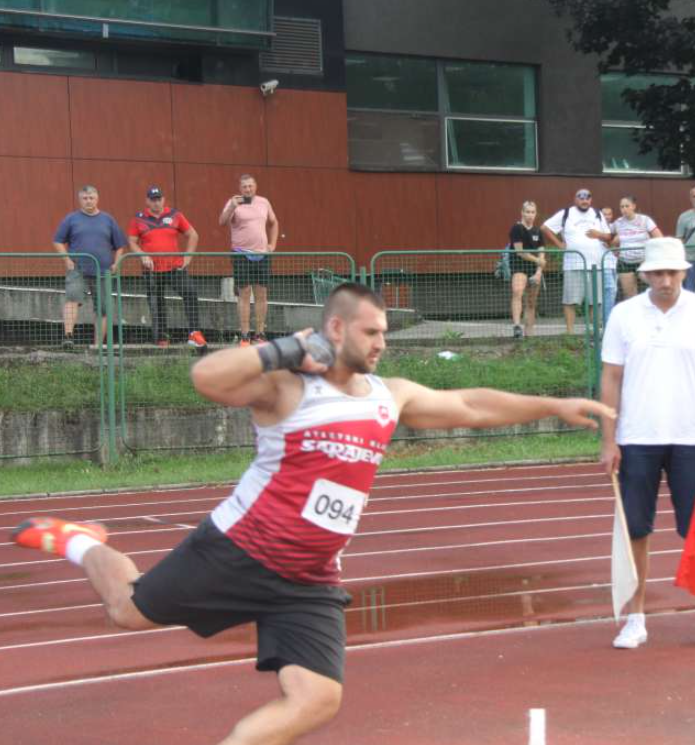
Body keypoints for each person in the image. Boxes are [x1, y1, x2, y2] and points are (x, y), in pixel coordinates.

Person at [11, 282, 614, 745]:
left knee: (317, 698)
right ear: (336, 327)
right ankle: (81, 541)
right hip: (236, 553)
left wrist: (553, 404)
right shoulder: (288, 387)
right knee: (126, 610)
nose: (383, 343)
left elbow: (470, 404)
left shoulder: (389, 396)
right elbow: (205, 376)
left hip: (309, 578)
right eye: (373, 332)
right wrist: (285, 348)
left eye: (385, 335)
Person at [599, 237, 695, 651]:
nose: (664, 280)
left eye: (671, 272)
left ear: (684, 272)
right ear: (645, 275)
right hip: (636, 438)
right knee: (636, 531)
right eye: (656, 273)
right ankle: (635, 618)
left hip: (691, 440)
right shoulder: (624, 315)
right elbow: (610, 379)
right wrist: (609, 440)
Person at [128, 186, 206, 350]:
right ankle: (161, 338)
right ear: (147, 201)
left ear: (163, 199)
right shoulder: (138, 219)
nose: (156, 203)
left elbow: (193, 235)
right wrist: (143, 255)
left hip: (174, 267)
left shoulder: (175, 215)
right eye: (153, 199)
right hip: (151, 269)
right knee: (156, 303)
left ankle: (194, 333)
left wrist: (188, 256)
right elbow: (132, 242)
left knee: (190, 293)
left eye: (159, 199)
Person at [53, 185, 127, 348]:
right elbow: (57, 241)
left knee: (103, 308)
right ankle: (68, 337)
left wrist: (117, 262)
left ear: (97, 198)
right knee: (72, 299)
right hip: (77, 269)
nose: (88, 201)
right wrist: (67, 260)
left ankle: (98, 346)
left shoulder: (108, 219)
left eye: (91, 197)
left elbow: (120, 245)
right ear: (80, 200)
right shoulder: (71, 219)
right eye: (85, 198)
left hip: (103, 271)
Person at [219, 174, 280, 347]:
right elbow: (222, 221)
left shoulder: (264, 202)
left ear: (255, 186)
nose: (248, 189)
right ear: (240, 188)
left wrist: (272, 244)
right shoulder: (234, 203)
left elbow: (274, 222)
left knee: (262, 293)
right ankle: (245, 334)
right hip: (241, 253)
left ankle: (260, 333)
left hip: (262, 254)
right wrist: (232, 206)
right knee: (244, 293)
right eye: (244, 186)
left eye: (250, 186)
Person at [541, 188, 610, 334]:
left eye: (587, 198)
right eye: (581, 197)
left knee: (595, 302)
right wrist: (560, 245)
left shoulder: (598, 214)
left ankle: (594, 334)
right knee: (570, 300)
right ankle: (570, 334)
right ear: (575, 199)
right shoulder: (566, 213)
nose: (584, 201)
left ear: (591, 200)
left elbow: (608, 236)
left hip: (595, 265)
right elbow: (545, 227)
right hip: (573, 265)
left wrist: (599, 235)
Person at [612, 195, 663, 302]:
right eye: (622, 207)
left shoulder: (645, 220)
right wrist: (615, 250)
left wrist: (652, 255)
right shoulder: (618, 222)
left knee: (652, 291)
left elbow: (659, 238)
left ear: (633, 206)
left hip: (643, 262)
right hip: (625, 262)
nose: (624, 209)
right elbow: (610, 238)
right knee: (630, 296)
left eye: (627, 206)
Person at [508, 200, 546, 338]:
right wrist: (538, 260)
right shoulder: (516, 228)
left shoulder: (538, 231)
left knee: (531, 301)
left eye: (532, 212)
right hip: (519, 266)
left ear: (536, 214)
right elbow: (520, 251)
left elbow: (542, 251)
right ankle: (517, 326)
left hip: (534, 269)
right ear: (522, 212)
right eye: (527, 212)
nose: (530, 215)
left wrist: (539, 271)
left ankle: (529, 333)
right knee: (517, 292)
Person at [599, 206, 619, 327]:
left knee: (613, 291)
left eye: (609, 214)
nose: (607, 216)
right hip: (603, 264)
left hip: (614, 263)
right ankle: (607, 323)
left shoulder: (614, 227)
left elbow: (615, 244)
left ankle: (608, 320)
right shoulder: (598, 228)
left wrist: (616, 248)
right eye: (604, 214)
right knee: (610, 290)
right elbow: (607, 243)